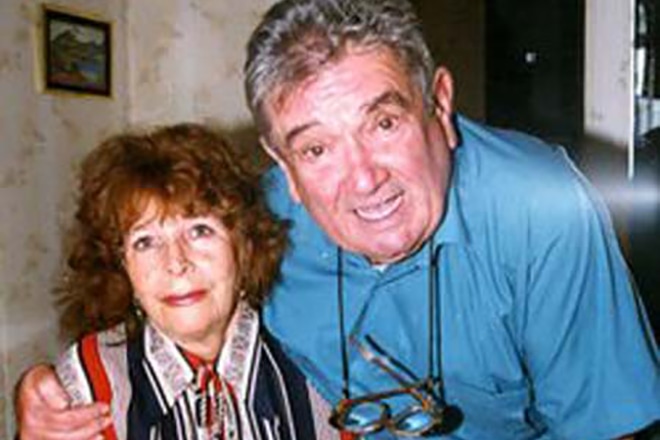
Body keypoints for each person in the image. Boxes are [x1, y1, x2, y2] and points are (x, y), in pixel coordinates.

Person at [15, 0, 660, 438]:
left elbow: (606, 426)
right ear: (283, 164)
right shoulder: (252, 227)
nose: (364, 179)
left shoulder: (540, 209)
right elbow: (168, 308)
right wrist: (49, 399)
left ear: (439, 105)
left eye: (383, 123)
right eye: (317, 149)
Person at [24, 123, 334, 439]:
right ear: (121, 266)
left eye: (199, 231)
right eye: (145, 242)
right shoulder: (91, 380)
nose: (175, 263)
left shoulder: (318, 359)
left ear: (243, 245)